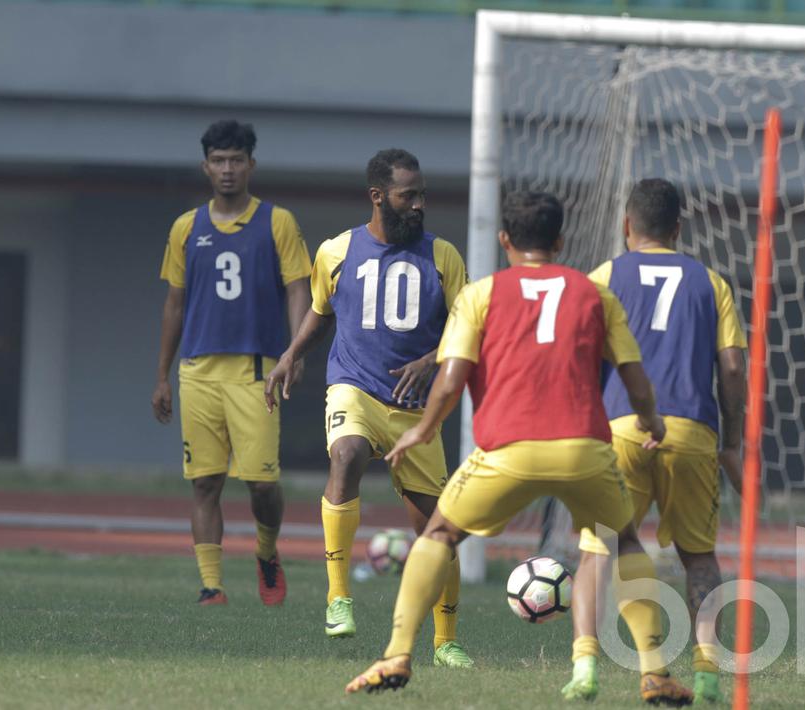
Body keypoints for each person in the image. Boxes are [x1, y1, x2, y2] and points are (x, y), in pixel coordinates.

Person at [344, 191, 693, 706]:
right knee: (624, 543)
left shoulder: (481, 294)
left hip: (506, 450)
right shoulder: (596, 294)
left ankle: (397, 654)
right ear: (559, 241)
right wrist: (650, 420)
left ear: (504, 240)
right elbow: (634, 377)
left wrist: (422, 429)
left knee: (439, 533)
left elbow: (450, 379)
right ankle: (655, 671)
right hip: (583, 450)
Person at [264, 149, 472, 667]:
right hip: (354, 388)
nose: (419, 204)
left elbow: (467, 329)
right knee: (348, 454)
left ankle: (445, 641)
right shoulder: (336, 251)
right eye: (409, 195)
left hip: (416, 410)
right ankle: (339, 597)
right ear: (378, 196)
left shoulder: (443, 256)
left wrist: (433, 358)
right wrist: (292, 354)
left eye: (422, 193)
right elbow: (320, 312)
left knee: (438, 530)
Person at [586, 178, 746, 703]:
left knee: (601, 549)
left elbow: (579, 354)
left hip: (622, 430)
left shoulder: (605, 275)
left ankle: (585, 667)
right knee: (699, 557)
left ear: (626, 225)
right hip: (693, 430)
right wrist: (731, 438)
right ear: (679, 228)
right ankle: (707, 675)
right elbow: (732, 368)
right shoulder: (712, 283)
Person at [152, 119, 312, 606]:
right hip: (198, 369)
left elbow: (298, 289)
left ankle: (266, 552)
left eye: (236, 160)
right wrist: (161, 374)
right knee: (205, 482)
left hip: (255, 369)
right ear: (206, 166)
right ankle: (211, 586)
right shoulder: (186, 227)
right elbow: (175, 304)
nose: (227, 169)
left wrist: (295, 350)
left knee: (262, 482)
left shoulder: (277, 222)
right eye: (219, 161)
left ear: (251, 165)